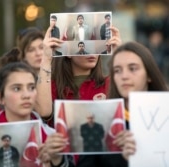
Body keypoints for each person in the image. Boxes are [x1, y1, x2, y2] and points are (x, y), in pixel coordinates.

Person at [35, 26, 123, 167]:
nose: (92, 51)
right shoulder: (52, 86)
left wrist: (120, 54)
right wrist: (46, 57)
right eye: (84, 44)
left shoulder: (109, 84)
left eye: (96, 44)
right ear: (68, 51)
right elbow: (43, 112)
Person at [107, 41, 168, 161]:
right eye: (117, 70)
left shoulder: (166, 115)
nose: (124, 76)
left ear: (149, 75)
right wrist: (59, 160)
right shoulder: (104, 122)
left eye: (132, 68)